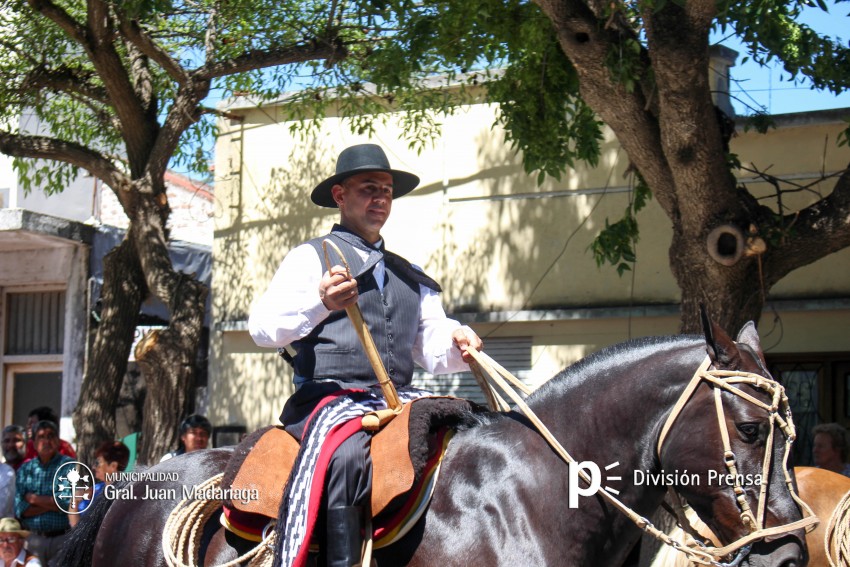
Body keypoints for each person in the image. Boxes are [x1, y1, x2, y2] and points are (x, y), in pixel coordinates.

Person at [249, 143, 482, 566]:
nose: (380, 199)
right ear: (340, 196)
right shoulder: (310, 258)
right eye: (368, 189)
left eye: (387, 191)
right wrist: (322, 304)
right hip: (327, 400)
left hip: (398, 401)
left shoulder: (409, 275)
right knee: (349, 456)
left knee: (473, 428)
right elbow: (262, 328)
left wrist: (459, 341)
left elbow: (431, 344)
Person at [14, 421, 70, 565]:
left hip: (61, 538)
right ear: (34, 443)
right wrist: (53, 503)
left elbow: (66, 503)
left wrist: (32, 499)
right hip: (33, 539)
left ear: (58, 441)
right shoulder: (26, 469)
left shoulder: (67, 465)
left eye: (51, 436)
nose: (46, 441)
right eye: (41, 437)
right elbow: (20, 509)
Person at [68, 440, 130, 527]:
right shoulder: (96, 489)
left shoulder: (126, 493)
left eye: (98, 463)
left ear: (113, 466)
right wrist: (75, 500)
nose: (94, 467)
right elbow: (75, 528)